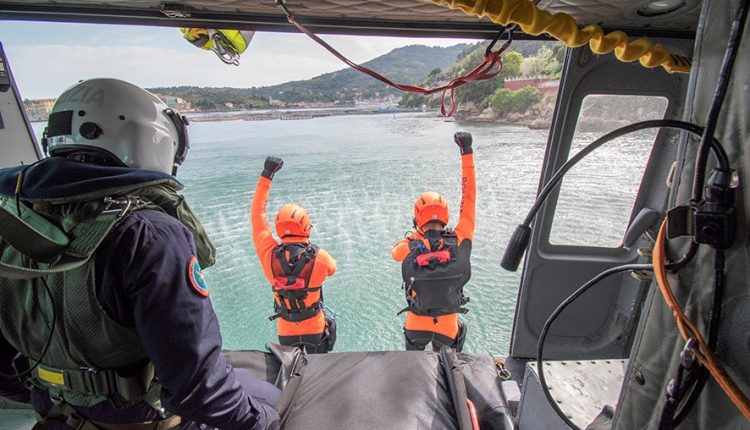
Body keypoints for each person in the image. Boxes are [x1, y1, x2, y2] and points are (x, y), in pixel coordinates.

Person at [0, 78, 281, 430]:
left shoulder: (11, 220)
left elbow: (5, 370)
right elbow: (197, 391)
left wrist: (53, 397)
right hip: (140, 419)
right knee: (271, 399)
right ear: (152, 139)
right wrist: (263, 422)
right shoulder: (149, 233)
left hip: (54, 412)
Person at [391, 131, 476, 352]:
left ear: (417, 217)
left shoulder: (408, 247)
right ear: (445, 214)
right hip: (447, 323)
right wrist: (466, 152)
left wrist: (415, 237)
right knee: (448, 370)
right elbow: (469, 199)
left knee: (415, 373)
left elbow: (394, 253)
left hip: (416, 322)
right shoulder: (461, 238)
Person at [251, 156, 337, 354]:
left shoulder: (268, 252)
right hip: (315, 329)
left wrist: (267, 175)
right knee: (318, 375)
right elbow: (332, 268)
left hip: (286, 331)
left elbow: (257, 214)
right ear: (306, 226)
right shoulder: (320, 257)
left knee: (291, 377)